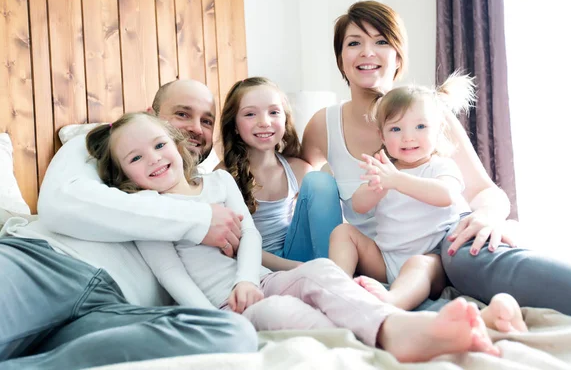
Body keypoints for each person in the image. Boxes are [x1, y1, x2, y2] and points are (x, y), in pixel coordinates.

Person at [85, 110, 527, 364]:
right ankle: (403, 338)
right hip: (226, 305)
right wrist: (220, 317)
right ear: (125, 177)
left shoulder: (217, 185)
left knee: (320, 273)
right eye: (136, 159)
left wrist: (245, 279)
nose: (155, 160)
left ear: (178, 143)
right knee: (287, 312)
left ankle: (405, 327)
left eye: (159, 145)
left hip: (255, 279)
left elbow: (251, 236)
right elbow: (171, 278)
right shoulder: (147, 213)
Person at [301, 0, 571, 317]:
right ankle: (336, 292)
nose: (367, 52)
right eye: (354, 43)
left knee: (456, 258)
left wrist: (488, 216)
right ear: (341, 58)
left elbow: (484, 191)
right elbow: (295, 174)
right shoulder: (322, 124)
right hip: (381, 255)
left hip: (440, 249)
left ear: (398, 56)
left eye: (381, 41)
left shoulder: (429, 115)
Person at [0, 80, 257, 370]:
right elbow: (61, 202)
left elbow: (248, 245)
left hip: (117, 309)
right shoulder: (96, 143)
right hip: (43, 263)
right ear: (150, 113)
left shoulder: (214, 188)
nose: (195, 127)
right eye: (182, 114)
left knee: (231, 336)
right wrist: (198, 220)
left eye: (206, 120)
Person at [329, 73, 472, 311]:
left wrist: (396, 180)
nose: (408, 137)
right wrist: (378, 188)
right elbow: (359, 206)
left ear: (438, 130)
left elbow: (447, 195)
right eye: (396, 129)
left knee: (419, 265)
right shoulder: (385, 170)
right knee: (344, 232)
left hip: (431, 260)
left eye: (421, 126)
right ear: (382, 136)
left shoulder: (439, 166)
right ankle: (337, 288)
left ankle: (393, 301)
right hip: (385, 261)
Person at [215, 77, 340, 271]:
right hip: (256, 264)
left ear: (285, 119)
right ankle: (328, 273)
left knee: (320, 181)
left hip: (298, 256)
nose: (264, 122)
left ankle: (337, 271)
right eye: (250, 114)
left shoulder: (298, 169)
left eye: (274, 112)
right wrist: (299, 269)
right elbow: (235, 246)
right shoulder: (224, 176)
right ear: (235, 127)